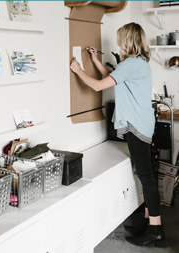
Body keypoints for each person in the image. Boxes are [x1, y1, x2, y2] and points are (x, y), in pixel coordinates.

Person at [70, 22, 166, 248]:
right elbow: (115, 78)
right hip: (141, 123)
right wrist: (94, 61)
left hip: (137, 126)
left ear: (127, 40)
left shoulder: (131, 64)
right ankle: (149, 223)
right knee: (145, 173)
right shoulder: (136, 63)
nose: (119, 42)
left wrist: (78, 71)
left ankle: (156, 229)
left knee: (145, 176)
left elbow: (97, 86)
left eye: (121, 38)